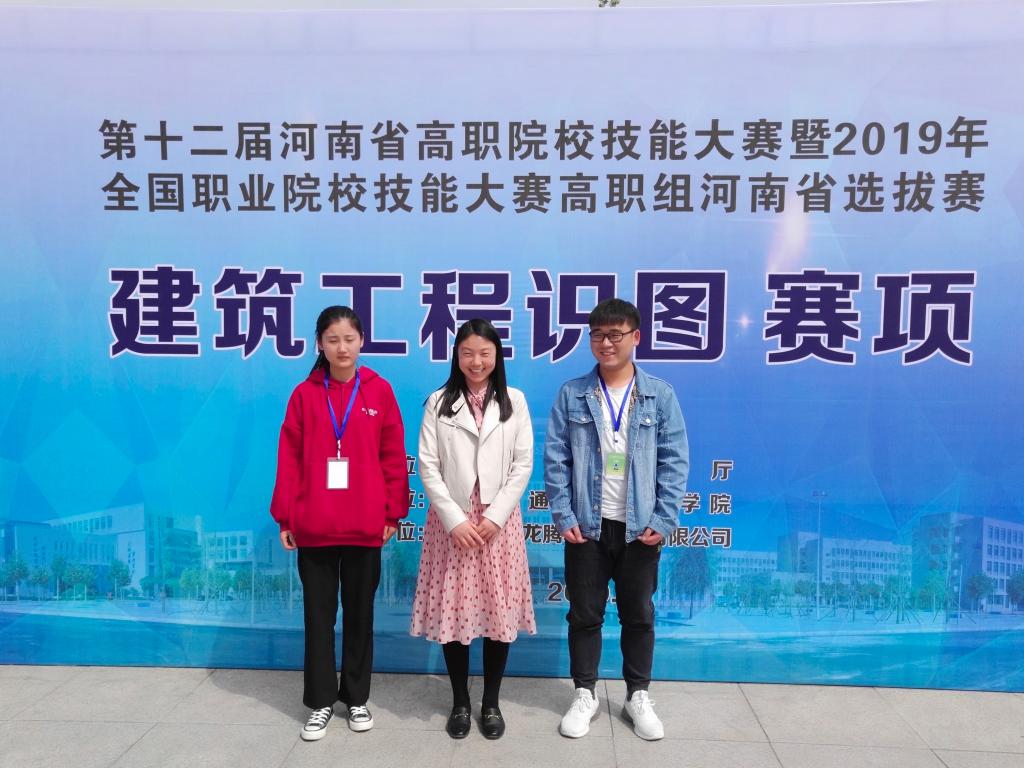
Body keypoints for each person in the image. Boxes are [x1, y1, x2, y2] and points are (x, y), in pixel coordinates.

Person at [544, 298, 689, 741]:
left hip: (640, 528)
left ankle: (637, 695)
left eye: (614, 335)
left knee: (638, 615)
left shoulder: (659, 395)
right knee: (584, 615)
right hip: (586, 526)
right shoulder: (572, 393)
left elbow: (674, 461)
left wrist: (664, 518)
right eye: (597, 335)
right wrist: (563, 513)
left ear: (635, 337)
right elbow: (556, 459)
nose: (605, 343)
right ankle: (584, 693)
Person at [271, 305, 409, 741]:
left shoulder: (379, 391)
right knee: (318, 618)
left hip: (365, 526)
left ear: (362, 341)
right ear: (320, 344)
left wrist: (392, 512)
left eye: (349, 339)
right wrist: (285, 516)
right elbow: (289, 460)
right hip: (314, 526)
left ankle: (356, 698)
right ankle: (319, 702)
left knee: (360, 616)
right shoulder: (304, 395)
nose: (342, 347)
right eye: (333, 340)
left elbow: (393, 456)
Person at [411, 318, 536, 740]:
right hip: (454, 524)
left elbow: (523, 464)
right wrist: (454, 519)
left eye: (484, 353)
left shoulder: (514, 401)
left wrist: (496, 516)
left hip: (498, 524)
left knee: (498, 614)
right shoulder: (439, 402)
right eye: (467, 353)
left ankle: (491, 703)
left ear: (497, 355)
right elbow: (428, 465)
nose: (476, 361)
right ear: (456, 356)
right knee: (455, 614)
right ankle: (461, 703)